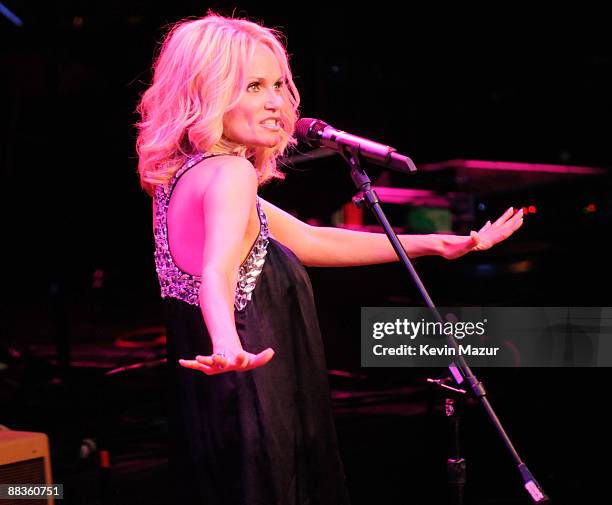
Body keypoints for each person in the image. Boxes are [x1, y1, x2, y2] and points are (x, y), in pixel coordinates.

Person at [135, 13, 524, 505]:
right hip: (251, 387)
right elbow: (217, 272)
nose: (276, 101)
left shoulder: (182, 179)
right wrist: (228, 342)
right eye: (254, 86)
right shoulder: (231, 173)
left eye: (278, 84)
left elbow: (308, 240)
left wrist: (438, 244)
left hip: (217, 404)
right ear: (203, 90)